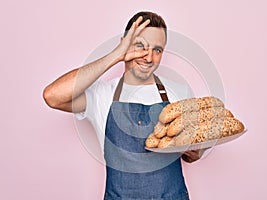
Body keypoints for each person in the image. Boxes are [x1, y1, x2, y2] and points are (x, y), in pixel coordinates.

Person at [43, 11, 208, 200]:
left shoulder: (179, 92)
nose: (148, 57)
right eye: (140, 46)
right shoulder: (102, 94)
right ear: (124, 42)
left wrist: (195, 152)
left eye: (157, 50)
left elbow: (191, 155)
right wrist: (116, 55)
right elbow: (52, 96)